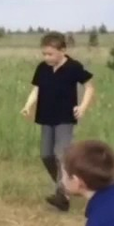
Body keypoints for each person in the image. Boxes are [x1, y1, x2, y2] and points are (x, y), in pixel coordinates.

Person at [21, 31, 95, 212]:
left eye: (50, 54)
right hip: (46, 116)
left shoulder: (73, 67)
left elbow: (90, 87)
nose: (47, 58)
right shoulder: (42, 68)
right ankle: (65, 186)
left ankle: (62, 195)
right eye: (44, 54)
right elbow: (36, 89)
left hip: (65, 118)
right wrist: (28, 105)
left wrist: (82, 108)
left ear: (63, 50)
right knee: (46, 155)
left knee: (61, 155)